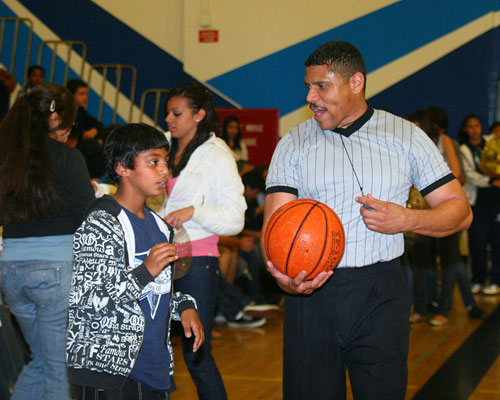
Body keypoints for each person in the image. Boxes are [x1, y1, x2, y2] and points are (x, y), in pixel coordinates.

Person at [261, 41, 472, 400]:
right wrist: (285, 280)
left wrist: (405, 218)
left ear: (356, 82)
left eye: (322, 86)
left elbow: (460, 211)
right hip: (310, 294)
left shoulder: (405, 136)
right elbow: (274, 225)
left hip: (380, 290)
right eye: (308, 87)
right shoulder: (293, 143)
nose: (311, 96)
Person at [66, 123, 204, 399]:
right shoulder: (101, 224)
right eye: (153, 162)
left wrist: (184, 306)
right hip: (109, 370)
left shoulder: (160, 226)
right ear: (122, 168)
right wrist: (145, 271)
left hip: (155, 368)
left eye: (165, 161)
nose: (164, 170)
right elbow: (87, 300)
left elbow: (159, 292)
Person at [0, 82, 95, 399]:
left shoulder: (7, 157)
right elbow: (86, 216)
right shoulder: (69, 158)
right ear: (58, 121)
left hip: (11, 269)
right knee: (59, 369)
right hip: (55, 270)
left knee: (40, 361)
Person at [160, 82, 246, 400]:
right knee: (151, 349)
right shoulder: (162, 146)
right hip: (157, 257)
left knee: (196, 354)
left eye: (176, 113)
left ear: (198, 115)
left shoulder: (217, 155)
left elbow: (236, 218)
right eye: (168, 112)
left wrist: (195, 211)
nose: (169, 118)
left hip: (196, 260)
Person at [459, 116, 500, 295]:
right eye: (471, 127)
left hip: (496, 200)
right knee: (477, 242)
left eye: (477, 126)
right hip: (477, 200)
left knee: (497, 241)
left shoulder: (491, 142)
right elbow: (469, 175)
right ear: (466, 129)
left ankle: (496, 281)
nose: (474, 130)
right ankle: (478, 279)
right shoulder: (464, 149)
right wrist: (491, 180)